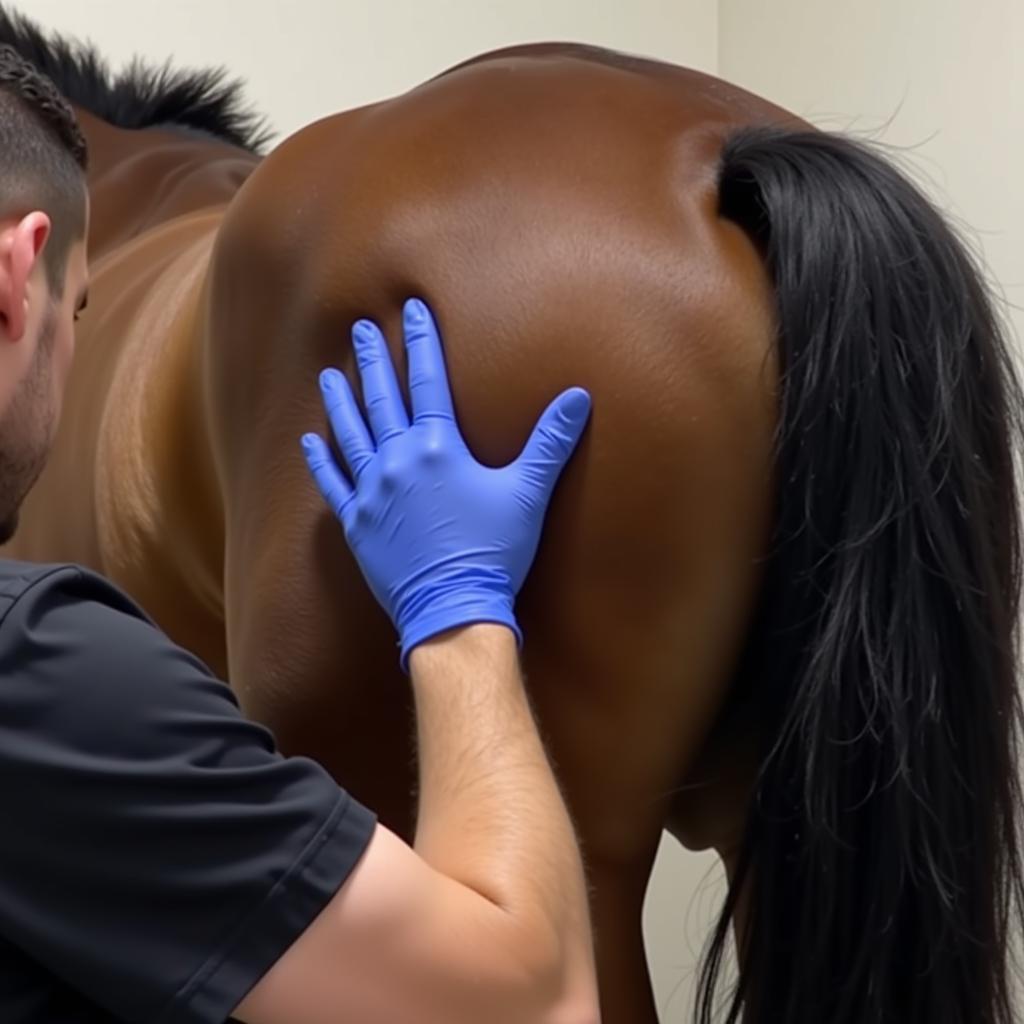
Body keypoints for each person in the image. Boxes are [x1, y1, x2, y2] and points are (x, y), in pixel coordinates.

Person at [0, 48, 599, 1024]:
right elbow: (531, 1006)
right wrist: (456, 609)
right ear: (18, 275)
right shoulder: (39, 672)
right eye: (79, 311)